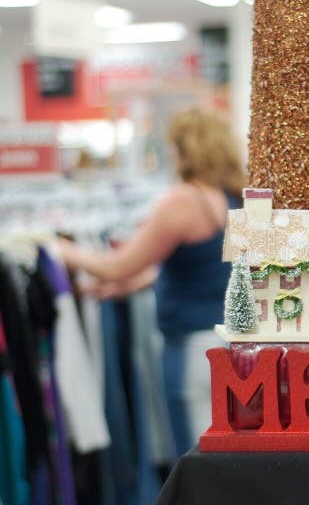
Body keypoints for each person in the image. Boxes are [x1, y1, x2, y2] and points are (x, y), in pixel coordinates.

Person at [59, 107, 247, 455]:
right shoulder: (230, 196)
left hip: (193, 347)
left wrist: (60, 250)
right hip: (232, 345)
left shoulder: (183, 200)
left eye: (173, 147)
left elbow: (117, 265)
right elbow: (201, 267)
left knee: (196, 459)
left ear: (187, 148)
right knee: (224, 457)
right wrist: (130, 287)